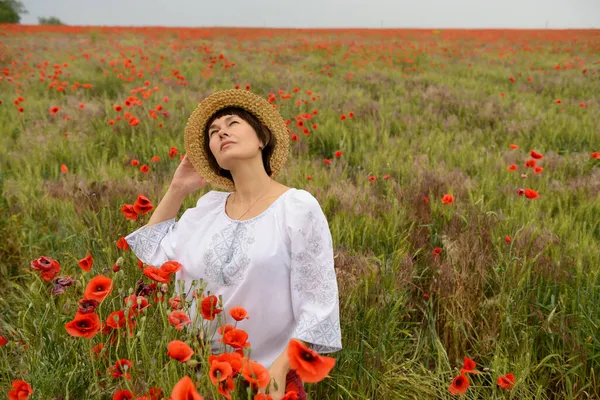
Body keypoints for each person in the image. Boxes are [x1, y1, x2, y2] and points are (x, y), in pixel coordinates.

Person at [124, 89, 342, 399]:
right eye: (213, 132)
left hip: (268, 380)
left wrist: (279, 372)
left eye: (233, 123)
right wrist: (177, 188)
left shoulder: (296, 207)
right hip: (200, 374)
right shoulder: (207, 208)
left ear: (261, 138)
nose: (221, 131)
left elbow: (318, 306)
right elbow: (152, 255)